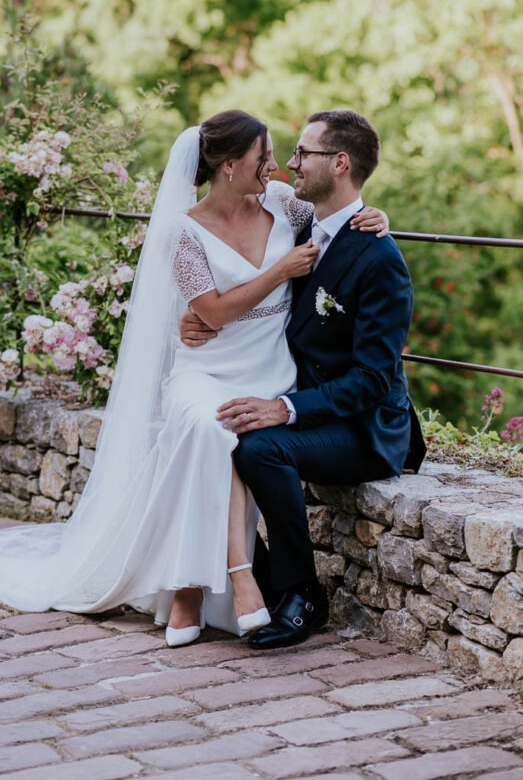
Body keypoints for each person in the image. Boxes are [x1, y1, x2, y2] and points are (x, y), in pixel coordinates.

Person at [0, 111, 388, 647]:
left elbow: (334, 217)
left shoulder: (281, 204)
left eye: (280, 155)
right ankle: (227, 578)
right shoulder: (182, 229)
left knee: (230, 435)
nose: (277, 165)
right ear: (228, 166)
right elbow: (215, 312)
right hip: (206, 367)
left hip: (270, 370)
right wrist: (275, 274)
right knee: (207, 427)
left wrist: (376, 216)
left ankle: (190, 585)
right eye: (263, 156)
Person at [183, 110, 425, 650]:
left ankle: (301, 594)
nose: (288, 163)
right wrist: (195, 316)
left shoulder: (380, 259)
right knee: (212, 434)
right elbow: (243, 283)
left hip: (364, 426)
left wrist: (285, 409)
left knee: (260, 447)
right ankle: (255, 581)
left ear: (339, 164)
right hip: (305, 402)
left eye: (302, 154)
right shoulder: (297, 225)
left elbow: (371, 380)